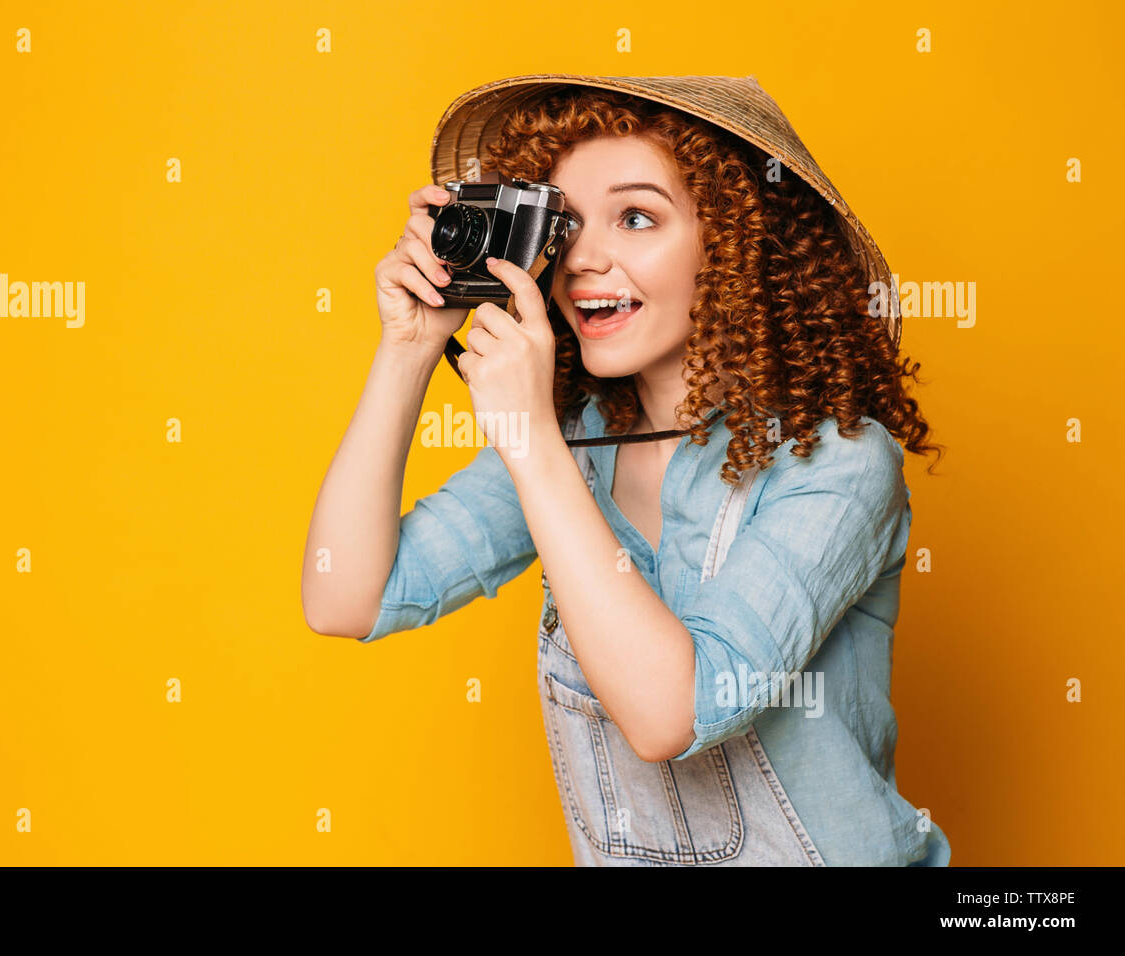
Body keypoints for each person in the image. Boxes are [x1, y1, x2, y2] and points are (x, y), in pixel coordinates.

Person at [302, 74, 951, 866]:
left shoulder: (840, 463)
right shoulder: (571, 438)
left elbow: (669, 715)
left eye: (636, 217)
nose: (584, 260)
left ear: (738, 247)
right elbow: (343, 595)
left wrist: (530, 438)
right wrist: (410, 348)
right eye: (565, 226)